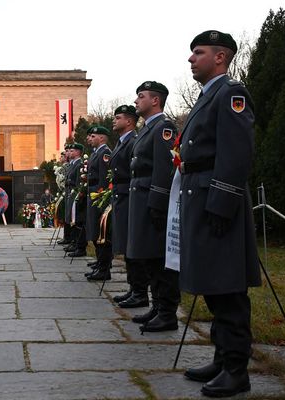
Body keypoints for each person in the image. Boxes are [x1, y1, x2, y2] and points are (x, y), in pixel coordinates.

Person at [179, 30, 260, 397]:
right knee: (213, 283)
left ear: (220, 57)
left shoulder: (231, 94)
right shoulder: (207, 96)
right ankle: (221, 356)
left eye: (199, 52)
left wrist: (222, 202)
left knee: (227, 288)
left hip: (216, 197)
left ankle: (236, 370)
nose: (191, 59)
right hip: (201, 194)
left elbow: (236, 153)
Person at [126, 81, 180, 333]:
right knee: (149, 256)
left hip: (152, 198)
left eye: (141, 96)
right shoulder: (147, 129)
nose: (136, 101)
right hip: (141, 197)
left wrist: (158, 202)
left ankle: (168, 312)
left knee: (159, 258)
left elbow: (164, 167)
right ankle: (158, 307)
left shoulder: (163, 127)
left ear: (155, 100)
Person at [107, 106, 138, 303]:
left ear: (129, 121)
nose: (114, 121)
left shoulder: (133, 141)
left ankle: (139, 291)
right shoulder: (121, 143)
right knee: (127, 245)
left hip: (129, 195)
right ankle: (134, 288)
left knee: (133, 245)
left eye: (118, 118)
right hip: (122, 194)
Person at [83, 126, 112, 281]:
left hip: (98, 196)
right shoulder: (97, 153)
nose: (90, 138)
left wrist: (102, 198)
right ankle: (100, 263)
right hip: (93, 194)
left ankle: (104, 268)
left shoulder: (104, 153)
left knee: (100, 233)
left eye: (93, 136)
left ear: (102, 138)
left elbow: (104, 178)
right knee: (94, 230)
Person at [64, 143, 87, 257]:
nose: (69, 153)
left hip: (75, 193)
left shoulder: (79, 164)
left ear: (78, 152)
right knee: (71, 218)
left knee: (76, 219)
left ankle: (78, 244)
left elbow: (79, 181)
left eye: (72, 151)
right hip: (70, 193)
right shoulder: (72, 164)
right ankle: (74, 242)